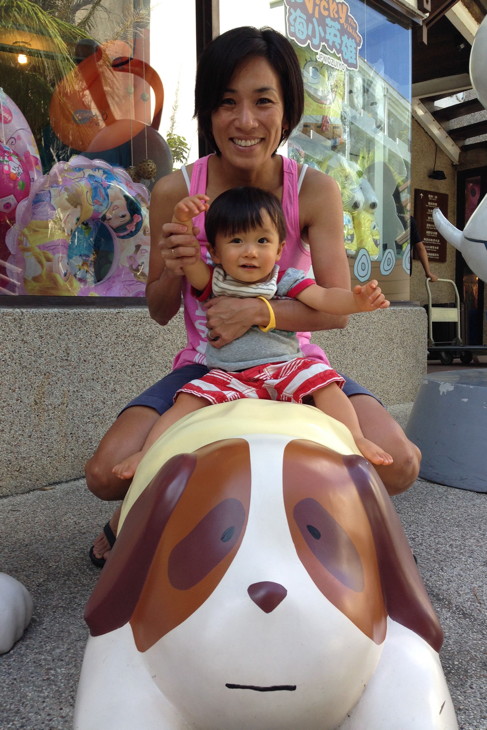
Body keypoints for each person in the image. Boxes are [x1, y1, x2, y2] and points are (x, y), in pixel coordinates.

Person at [86, 25, 421, 567]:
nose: (245, 122)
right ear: (208, 112)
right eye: (226, 103)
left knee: (402, 463)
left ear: (287, 110)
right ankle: (139, 508)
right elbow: (159, 310)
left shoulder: (313, 189)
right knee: (104, 474)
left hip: (294, 361)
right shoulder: (176, 192)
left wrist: (259, 312)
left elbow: (335, 312)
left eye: (263, 101)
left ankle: (317, 514)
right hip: (207, 365)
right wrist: (173, 266)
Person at [113, 187, 393, 480]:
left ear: (280, 249)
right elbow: (187, 259)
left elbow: (324, 299)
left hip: (285, 366)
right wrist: (182, 218)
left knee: (326, 386)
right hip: (228, 373)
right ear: (216, 252)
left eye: (262, 240)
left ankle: (356, 439)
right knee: (185, 400)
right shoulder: (214, 280)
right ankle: (148, 453)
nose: (250, 251)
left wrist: (356, 302)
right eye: (236, 240)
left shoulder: (284, 280)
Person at [410, 216, 438, 281]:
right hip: (403, 269)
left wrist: (428, 272)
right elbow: (420, 248)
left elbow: (420, 248)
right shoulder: (409, 220)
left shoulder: (410, 220)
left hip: (403, 269)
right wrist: (428, 272)